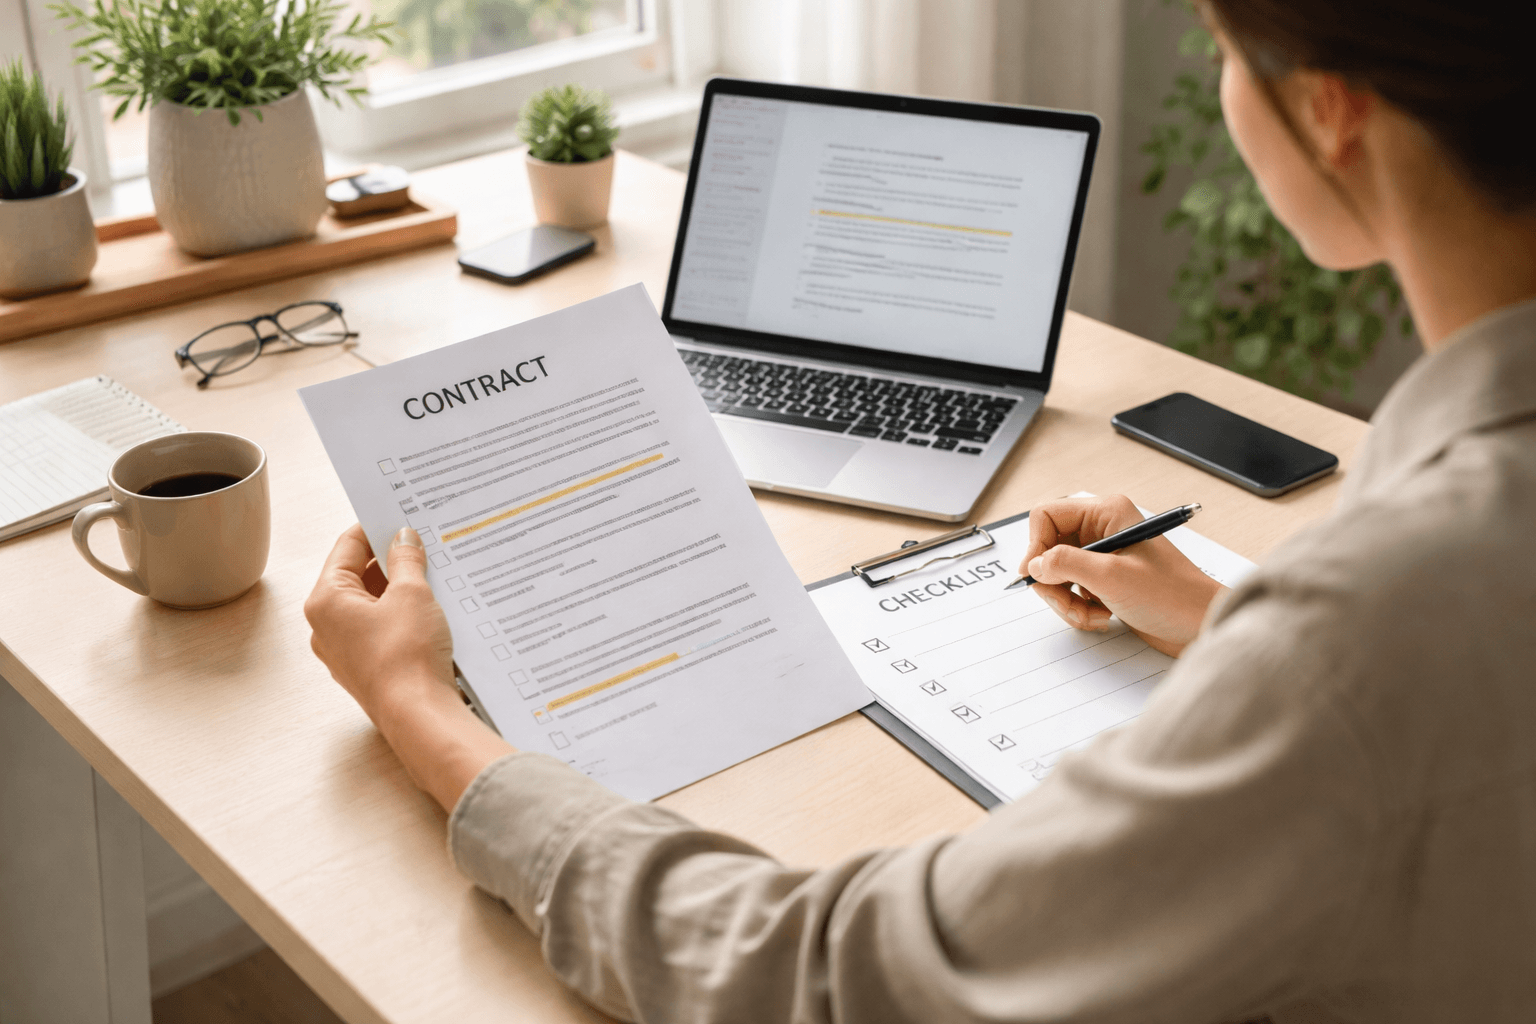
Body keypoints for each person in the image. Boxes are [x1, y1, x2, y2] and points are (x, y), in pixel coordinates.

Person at [304, 1, 1536, 1019]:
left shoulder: (1371, 628)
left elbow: (824, 978)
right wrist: (1221, 618)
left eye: (1219, 48)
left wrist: (418, 705)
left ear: (1330, 109)